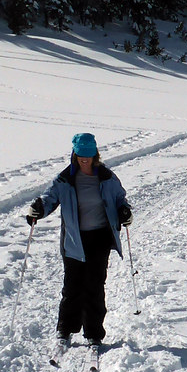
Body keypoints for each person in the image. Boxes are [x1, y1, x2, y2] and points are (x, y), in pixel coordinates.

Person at [26, 133, 133, 347]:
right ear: (74, 155)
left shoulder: (107, 177)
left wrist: (124, 210)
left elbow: (120, 198)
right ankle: (65, 329)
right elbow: (50, 198)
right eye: (80, 156)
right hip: (74, 239)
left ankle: (94, 333)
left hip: (100, 237)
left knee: (94, 285)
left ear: (95, 155)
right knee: (72, 285)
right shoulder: (65, 179)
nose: (84, 160)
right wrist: (38, 208)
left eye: (88, 156)